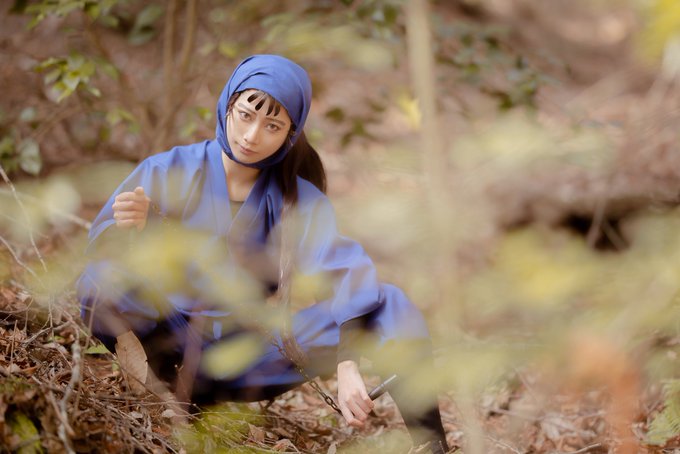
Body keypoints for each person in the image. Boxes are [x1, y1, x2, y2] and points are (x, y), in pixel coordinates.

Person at [77, 55, 449, 453]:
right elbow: (100, 255)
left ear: (291, 133)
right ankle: (163, 389)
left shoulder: (298, 199)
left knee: (390, 303)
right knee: (102, 278)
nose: (252, 136)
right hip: (171, 342)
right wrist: (131, 230)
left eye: (273, 126)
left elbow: (347, 275)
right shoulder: (167, 169)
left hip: (249, 355)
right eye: (245, 115)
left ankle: (431, 444)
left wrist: (347, 362)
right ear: (227, 105)